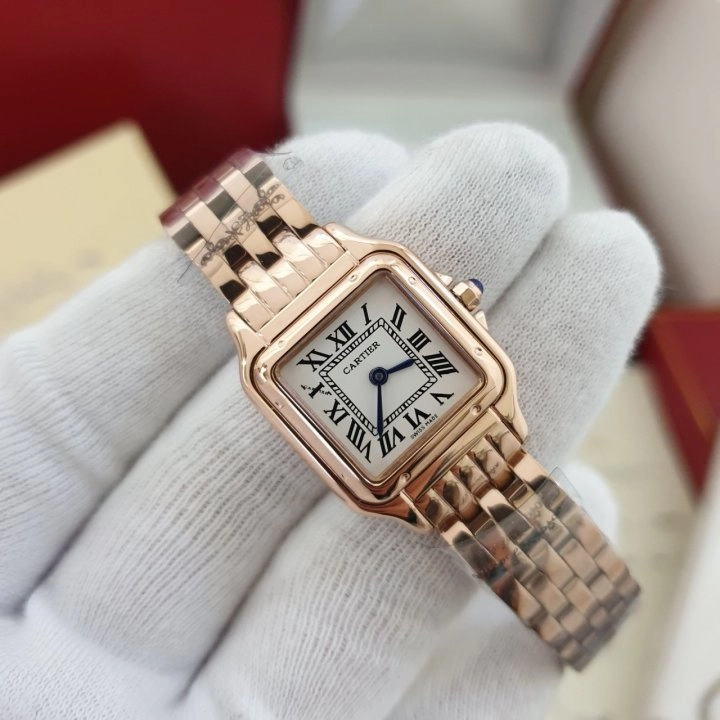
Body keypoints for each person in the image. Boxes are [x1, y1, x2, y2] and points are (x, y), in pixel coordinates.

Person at [0, 125, 660, 719]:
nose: (377, 376)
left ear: (463, 309)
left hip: (455, 443)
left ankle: (592, 607)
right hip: (403, 464)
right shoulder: (277, 355)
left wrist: (577, 604)